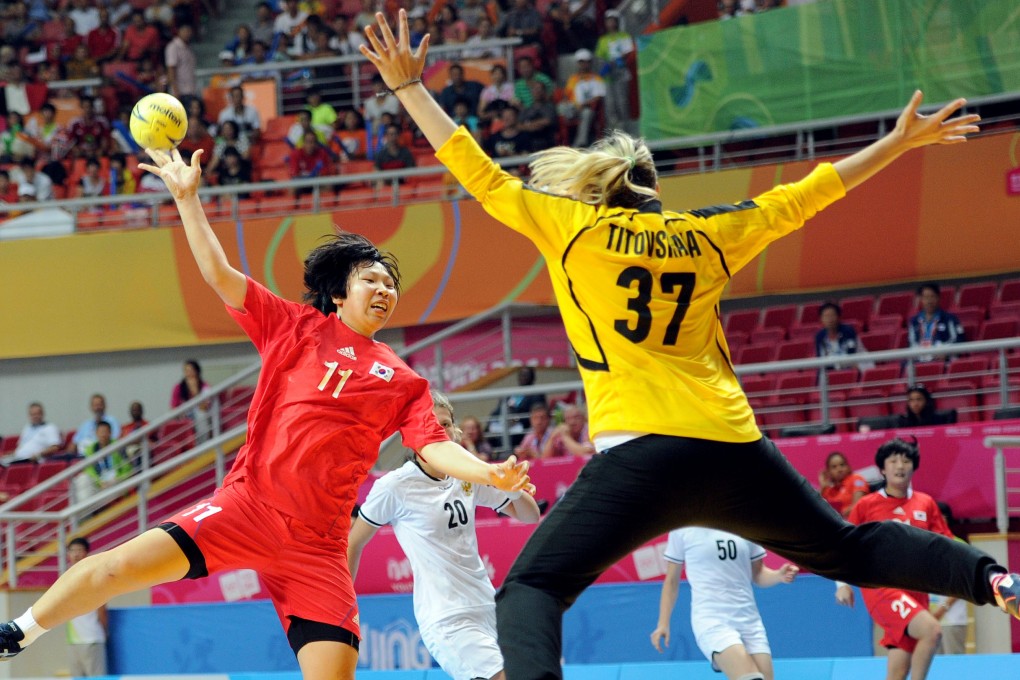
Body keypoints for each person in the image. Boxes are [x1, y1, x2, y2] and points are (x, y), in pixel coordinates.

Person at [357, 13, 1020, 679]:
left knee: (533, 590)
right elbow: (806, 196)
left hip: (639, 458)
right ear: (655, 191)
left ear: (598, 187)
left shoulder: (572, 227)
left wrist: (411, 88)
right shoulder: (705, 235)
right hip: (733, 450)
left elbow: (479, 172)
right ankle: (992, 578)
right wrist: (897, 143)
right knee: (849, 550)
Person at [0, 144, 533, 677]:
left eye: (390, 284)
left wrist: (489, 472)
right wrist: (187, 198)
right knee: (118, 566)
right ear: (339, 294)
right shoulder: (294, 327)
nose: (384, 289)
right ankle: (19, 631)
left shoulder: (404, 380)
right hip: (246, 508)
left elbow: (435, 446)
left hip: (318, 548)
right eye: (370, 279)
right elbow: (218, 273)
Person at [348, 391, 540, 680]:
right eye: (432, 423)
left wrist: (512, 487)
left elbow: (530, 515)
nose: (441, 430)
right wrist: (341, 609)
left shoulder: (469, 472)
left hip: (490, 607)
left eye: (447, 423)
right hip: (446, 617)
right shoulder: (395, 486)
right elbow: (354, 542)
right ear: (411, 435)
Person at [836, 438, 953, 680]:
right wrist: (842, 583)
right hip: (882, 586)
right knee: (932, 632)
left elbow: (947, 547)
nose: (900, 466)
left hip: (916, 589)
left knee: (898, 670)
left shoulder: (926, 503)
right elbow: (843, 544)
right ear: (882, 468)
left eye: (906, 460)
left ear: (913, 466)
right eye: (893, 461)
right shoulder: (867, 505)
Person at [650, 527, 798, 680]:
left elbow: (758, 574)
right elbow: (672, 581)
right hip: (712, 620)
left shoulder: (746, 521)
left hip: (750, 621)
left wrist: (778, 575)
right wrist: (663, 623)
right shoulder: (684, 528)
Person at [65, 538, 107, 677]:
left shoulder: (94, 575)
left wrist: (105, 632)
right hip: (74, 641)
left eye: (79, 550)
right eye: (72, 551)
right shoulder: (65, 578)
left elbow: (102, 607)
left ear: (86, 553)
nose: (75, 554)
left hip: (92, 639)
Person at [908, 282, 964, 362]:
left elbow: (959, 340)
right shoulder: (914, 321)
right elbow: (912, 343)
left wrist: (946, 352)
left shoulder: (949, 319)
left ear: (938, 298)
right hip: (920, 361)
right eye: (926, 297)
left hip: (943, 360)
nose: (929, 301)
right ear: (920, 299)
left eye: (932, 297)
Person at [817, 451, 867, 518]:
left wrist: (835, 516)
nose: (839, 469)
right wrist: (822, 487)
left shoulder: (856, 479)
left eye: (842, 465)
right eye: (834, 467)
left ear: (848, 467)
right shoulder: (828, 490)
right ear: (828, 472)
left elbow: (858, 506)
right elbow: (815, 509)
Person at [171, 359, 212, 441]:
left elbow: (204, 407)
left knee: (201, 415)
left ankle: (203, 445)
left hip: (200, 413)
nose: (188, 373)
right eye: (186, 371)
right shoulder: (178, 387)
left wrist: (195, 391)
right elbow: (174, 406)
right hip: (184, 415)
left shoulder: (205, 387)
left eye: (190, 370)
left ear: (196, 371)